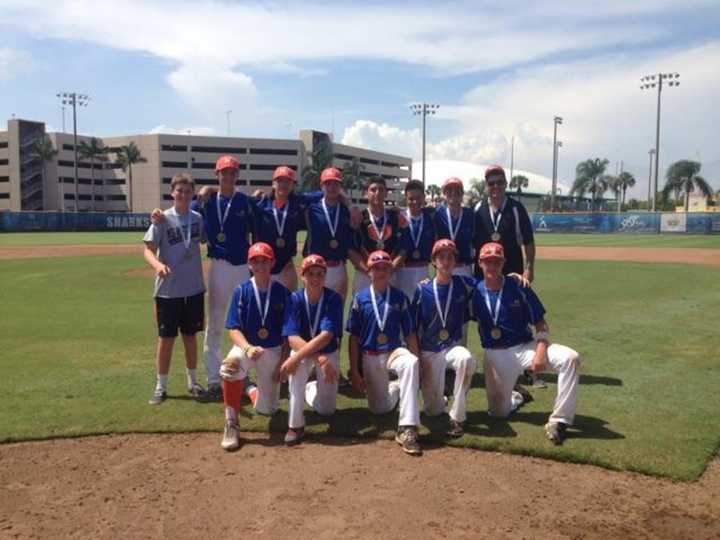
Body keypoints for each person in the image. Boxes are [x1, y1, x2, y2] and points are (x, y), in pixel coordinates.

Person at [472, 242, 581, 445]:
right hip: (495, 355)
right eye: (488, 262)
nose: (492, 266)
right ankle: (518, 396)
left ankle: (559, 421)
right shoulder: (473, 290)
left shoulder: (518, 286)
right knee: (498, 415)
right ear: (480, 263)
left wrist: (540, 351)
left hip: (525, 348)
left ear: (504, 262)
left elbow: (541, 323)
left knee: (570, 358)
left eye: (497, 261)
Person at [347, 250, 422, 455]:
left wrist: (418, 365)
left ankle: (407, 428)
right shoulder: (360, 299)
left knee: (410, 364)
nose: (381, 272)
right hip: (370, 356)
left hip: (393, 352)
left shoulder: (399, 297)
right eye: (376, 268)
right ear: (369, 271)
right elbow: (353, 338)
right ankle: (397, 387)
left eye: (385, 268)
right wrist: (354, 371)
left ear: (390, 271)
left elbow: (410, 334)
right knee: (379, 409)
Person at [219, 242, 291, 451]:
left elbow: (288, 333)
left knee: (267, 410)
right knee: (230, 366)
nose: (260, 265)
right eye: (255, 261)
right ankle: (231, 423)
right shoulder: (241, 291)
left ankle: (249, 388)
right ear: (249, 264)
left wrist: (283, 362)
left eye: (264, 261)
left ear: (272, 263)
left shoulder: (282, 292)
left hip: (274, 350)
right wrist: (248, 348)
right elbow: (233, 328)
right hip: (248, 347)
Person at [143, 173, 207, 405]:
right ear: (172, 192)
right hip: (167, 291)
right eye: (179, 191)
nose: (183, 195)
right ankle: (161, 386)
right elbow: (147, 250)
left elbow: (208, 240)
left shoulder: (198, 219)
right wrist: (158, 265)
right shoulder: (161, 219)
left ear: (192, 194)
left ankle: (193, 382)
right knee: (166, 338)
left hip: (193, 289)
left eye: (188, 191)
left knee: (190, 337)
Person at [411, 239, 477, 436]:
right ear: (433, 261)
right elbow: (412, 328)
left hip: (452, 347)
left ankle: (458, 417)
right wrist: (418, 360)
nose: (446, 261)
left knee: (466, 359)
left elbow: (491, 282)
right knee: (432, 411)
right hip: (430, 350)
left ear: (456, 262)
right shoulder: (422, 289)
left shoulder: (464, 284)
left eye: (450, 257)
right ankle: (440, 399)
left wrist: (513, 278)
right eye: (441, 257)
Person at [278, 254, 344, 446]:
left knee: (327, 410)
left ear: (325, 276)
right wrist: (314, 359)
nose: (316, 278)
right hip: (307, 352)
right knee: (297, 369)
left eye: (320, 274)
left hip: (327, 351)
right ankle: (295, 426)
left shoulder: (333, 299)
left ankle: (311, 387)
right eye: (311, 274)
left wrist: (303, 359)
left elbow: (327, 336)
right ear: (302, 275)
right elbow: (291, 338)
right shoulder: (294, 299)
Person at [303, 167, 362, 303]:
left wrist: (351, 205)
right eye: (328, 183)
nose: (332, 187)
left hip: (338, 267)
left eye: (336, 183)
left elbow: (356, 228)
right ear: (321, 185)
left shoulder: (347, 210)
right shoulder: (310, 209)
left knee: (337, 312)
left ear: (340, 186)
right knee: (313, 311)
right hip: (315, 268)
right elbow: (292, 198)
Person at [473, 165, 535, 283]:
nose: (495, 186)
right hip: (483, 275)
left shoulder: (516, 208)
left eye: (499, 182)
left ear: (506, 184)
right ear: (486, 186)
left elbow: (528, 241)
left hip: (512, 273)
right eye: (491, 183)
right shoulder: (477, 209)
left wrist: (529, 267)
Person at [351, 176, 408, 294]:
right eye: (373, 190)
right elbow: (351, 250)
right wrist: (368, 271)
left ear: (386, 193)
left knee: (390, 310)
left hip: (389, 274)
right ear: (365, 193)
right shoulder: (359, 218)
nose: (377, 193)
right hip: (364, 276)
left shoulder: (395, 217)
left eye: (381, 190)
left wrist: (391, 268)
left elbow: (404, 248)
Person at [395, 180, 436, 300]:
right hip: (403, 270)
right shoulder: (397, 217)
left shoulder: (431, 216)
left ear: (424, 198)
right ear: (406, 199)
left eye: (418, 198)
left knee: (422, 310)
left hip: (424, 269)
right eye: (411, 198)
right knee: (403, 309)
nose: (415, 202)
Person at [434, 177, 475, 277]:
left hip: (463, 267)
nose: (453, 193)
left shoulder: (470, 214)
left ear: (462, 193)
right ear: (444, 194)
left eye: (457, 190)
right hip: (444, 266)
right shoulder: (437, 214)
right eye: (449, 190)